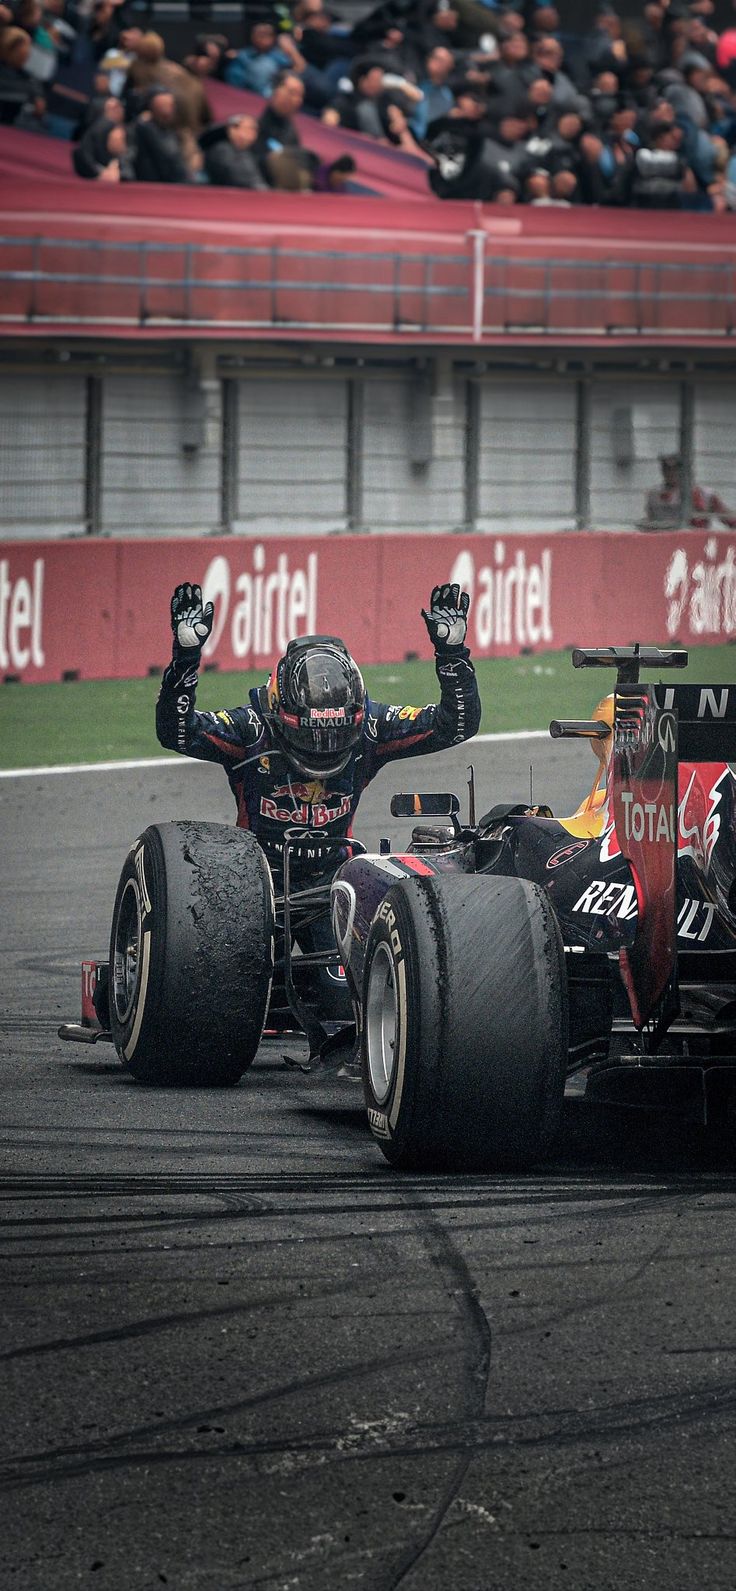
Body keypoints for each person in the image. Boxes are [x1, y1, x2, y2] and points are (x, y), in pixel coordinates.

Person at [156, 580, 481, 888]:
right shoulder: (253, 729)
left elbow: (455, 726)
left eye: (335, 735)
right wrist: (185, 658)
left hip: (334, 878)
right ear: (277, 710)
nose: (323, 747)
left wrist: (451, 653)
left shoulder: (372, 726)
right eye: (311, 736)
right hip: (255, 880)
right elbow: (177, 732)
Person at [642, 455, 736, 530]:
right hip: (664, 543)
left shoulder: (705, 494)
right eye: (666, 468)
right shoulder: (654, 495)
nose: (670, 472)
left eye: (675, 468)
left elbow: (729, 519)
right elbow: (650, 522)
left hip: (696, 543)